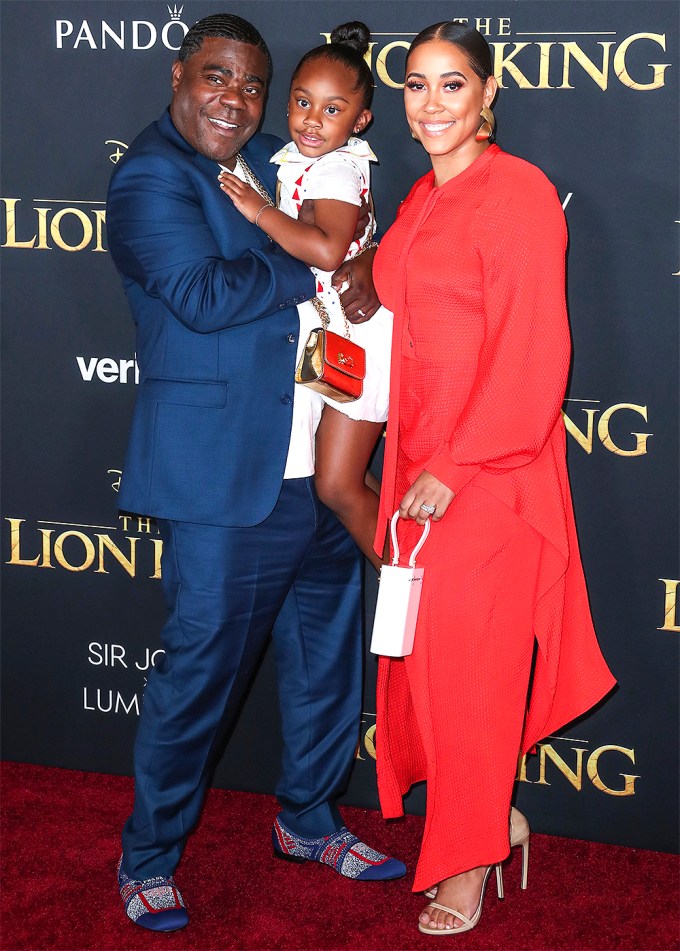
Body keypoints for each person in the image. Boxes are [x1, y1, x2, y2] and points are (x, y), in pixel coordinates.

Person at [106, 12, 405, 934]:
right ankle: (148, 857)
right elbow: (201, 297)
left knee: (325, 664)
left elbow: (346, 227)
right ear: (178, 74)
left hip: (323, 462)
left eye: (249, 86)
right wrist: (317, 265)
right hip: (224, 477)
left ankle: (310, 820)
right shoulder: (149, 175)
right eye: (215, 78)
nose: (233, 100)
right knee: (200, 675)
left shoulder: (282, 152)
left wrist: (358, 262)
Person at [371, 22, 616, 936]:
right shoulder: (421, 197)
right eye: (416, 84)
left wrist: (455, 462)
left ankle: (468, 859)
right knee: (431, 674)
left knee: (471, 675)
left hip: (488, 473)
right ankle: (493, 819)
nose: (431, 104)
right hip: (420, 466)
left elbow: (533, 350)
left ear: (488, 96)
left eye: (452, 86)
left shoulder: (513, 192)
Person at [219, 21, 391, 572]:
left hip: (357, 333)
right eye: (301, 102)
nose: (312, 120)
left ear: (360, 120)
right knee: (346, 478)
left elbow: (326, 250)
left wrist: (258, 211)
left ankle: (422, 599)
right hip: (333, 335)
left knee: (338, 486)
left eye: (332, 109)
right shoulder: (304, 160)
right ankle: (420, 582)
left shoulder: (337, 169)